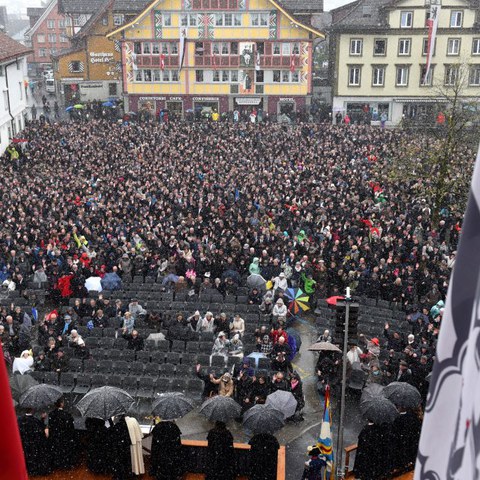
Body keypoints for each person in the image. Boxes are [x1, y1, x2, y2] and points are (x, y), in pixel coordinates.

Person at [17, 409, 52, 475]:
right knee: (33, 457)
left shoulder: (20, 420)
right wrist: (42, 419)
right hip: (33, 444)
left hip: (24, 443)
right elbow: (41, 430)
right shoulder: (35, 421)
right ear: (32, 411)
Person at [48, 397, 78, 470]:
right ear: (61, 404)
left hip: (55, 437)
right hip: (65, 437)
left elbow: (51, 426)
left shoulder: (51, 414)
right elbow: (71, 427)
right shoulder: (67, 415)